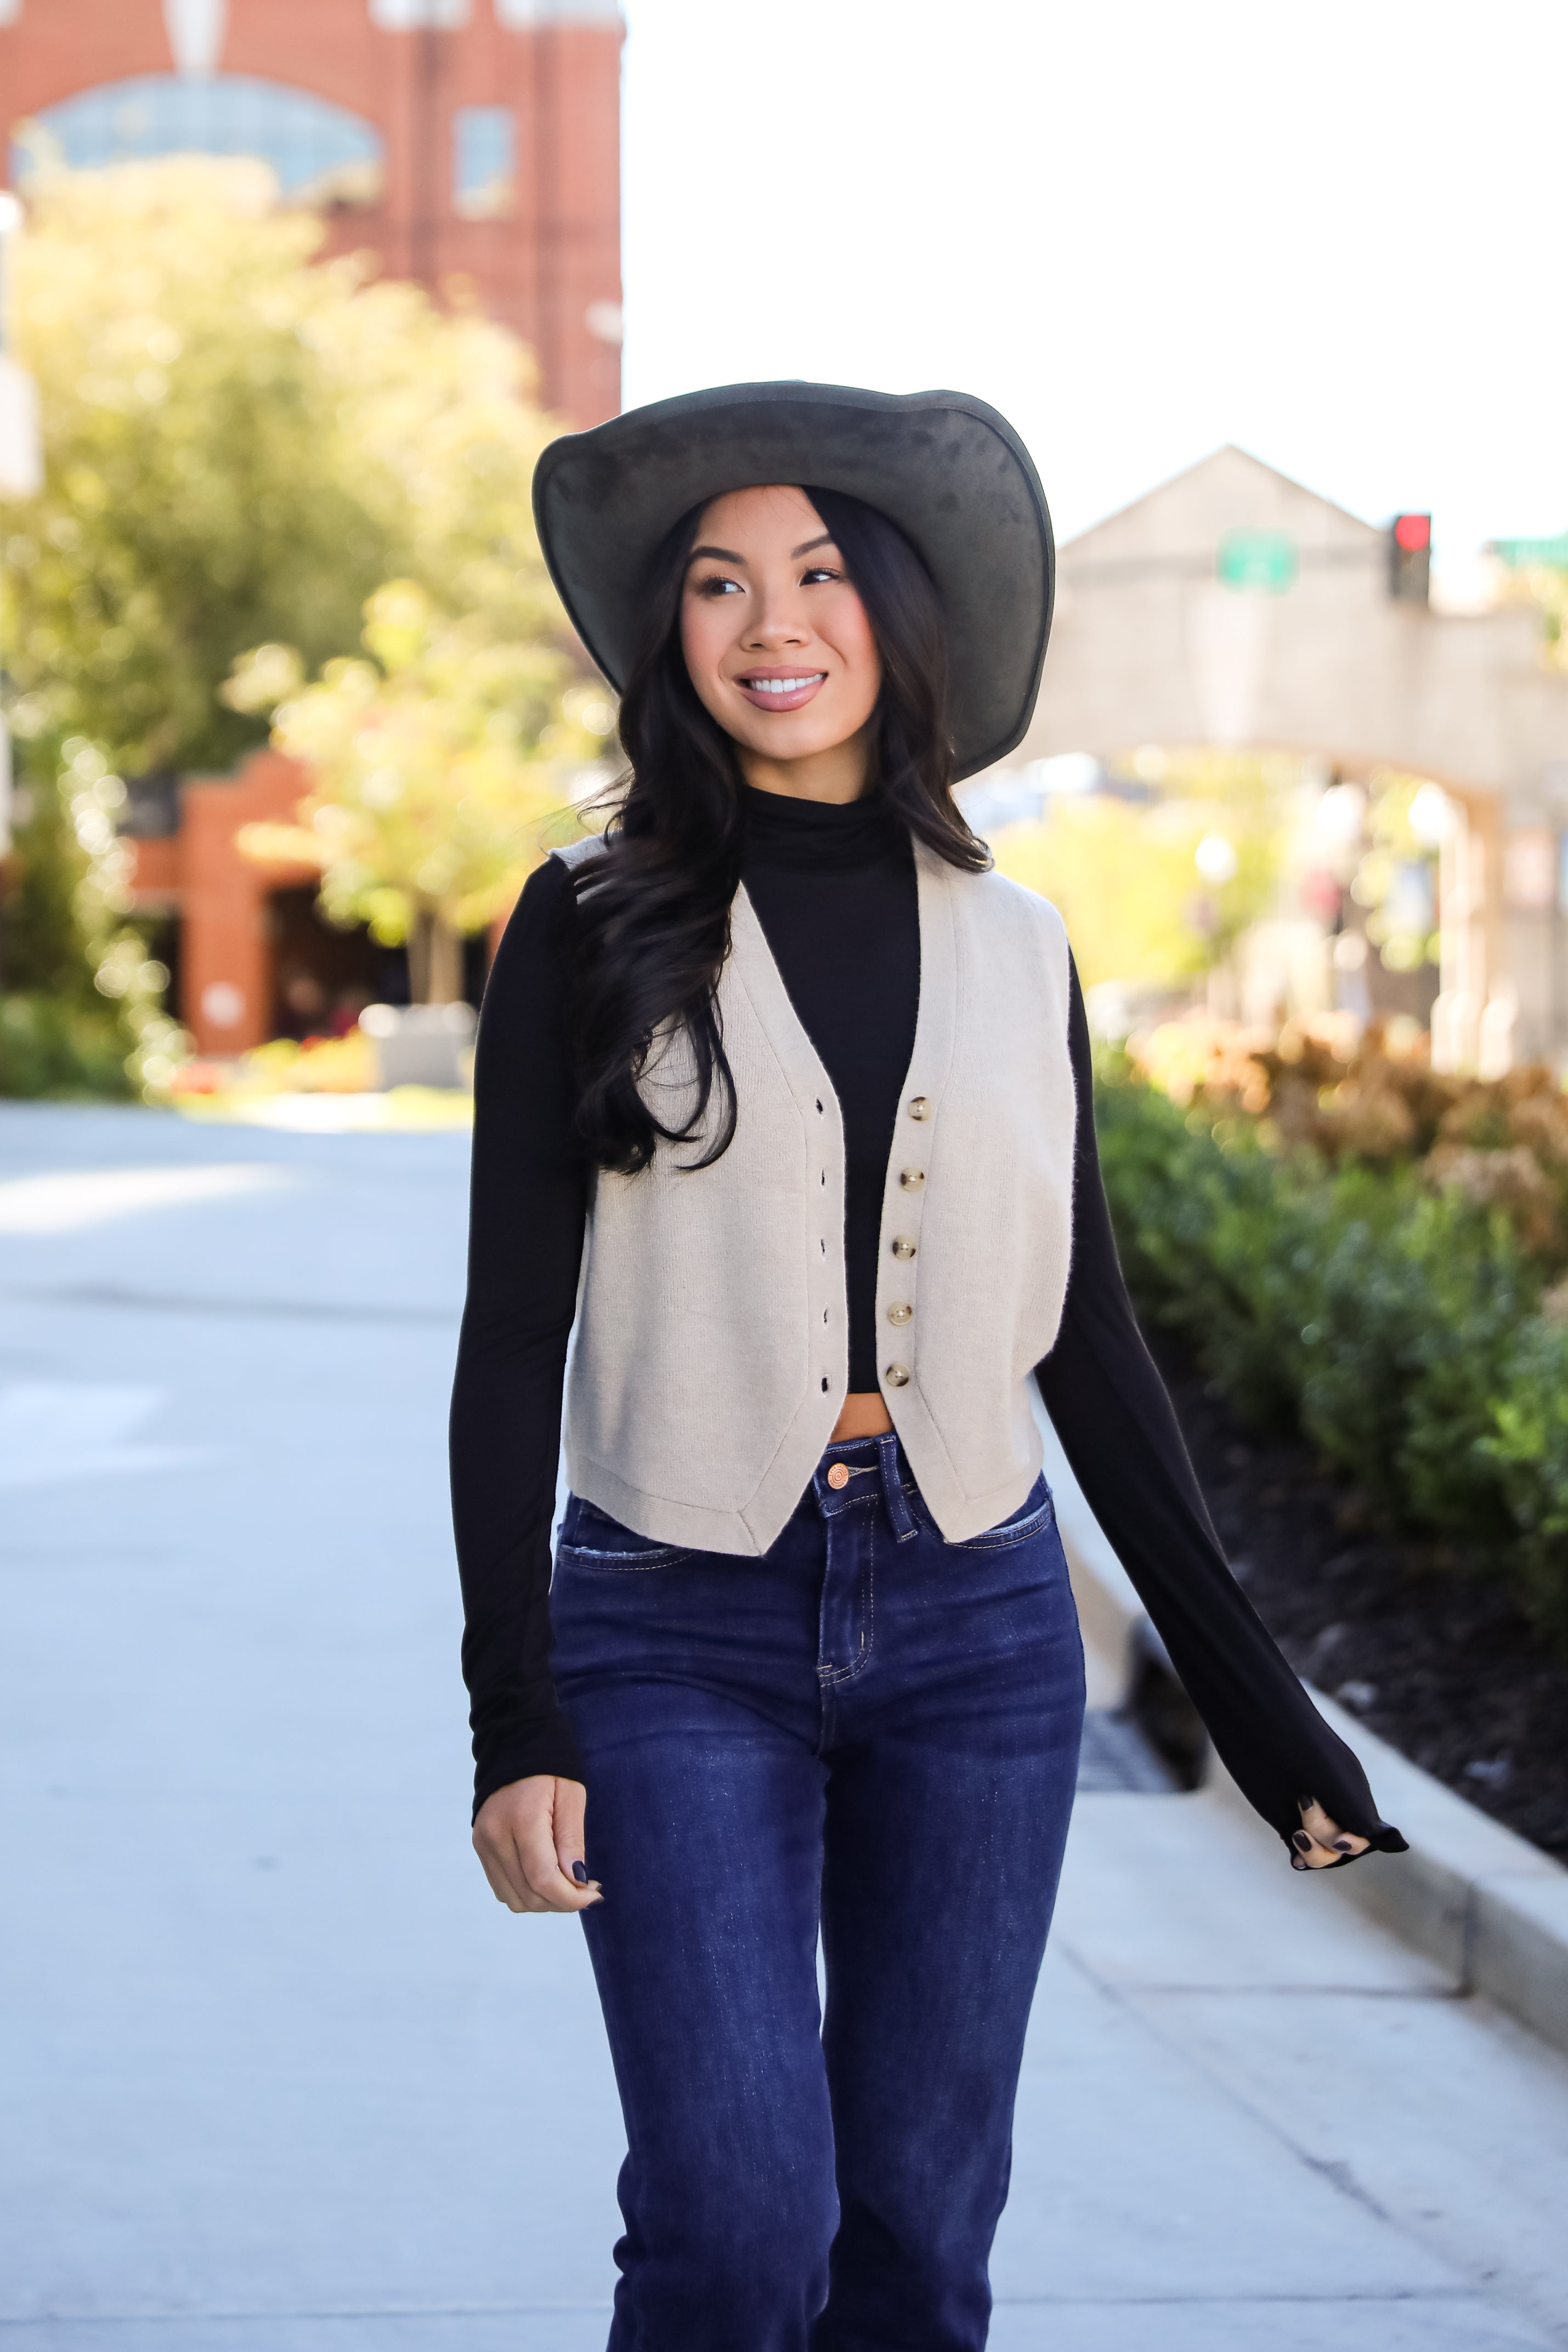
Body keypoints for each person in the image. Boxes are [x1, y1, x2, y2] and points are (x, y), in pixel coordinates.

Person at [450, 382, 1405, 2352]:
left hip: (975, 1623)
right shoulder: (582, 921)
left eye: (815, 574)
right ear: (670, 639)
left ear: (897, 613)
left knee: (913, 2237)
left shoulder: (1022, 940)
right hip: (672, 1622)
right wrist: (510, 1718)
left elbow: (1091, 1339)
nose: (767, 621)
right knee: (734, 2225)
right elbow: (504, 1341)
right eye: (715, 583)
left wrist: (1263, 1710)